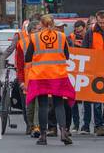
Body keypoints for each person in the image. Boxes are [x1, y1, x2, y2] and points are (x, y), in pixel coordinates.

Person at [23, 14, 75, 145]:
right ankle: (63, 132)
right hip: (58, 75)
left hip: (40, 75)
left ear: (41, 24)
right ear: (52, 23)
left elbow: (28, 57)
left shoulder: (34, 37)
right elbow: (67, 56)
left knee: (43, 105)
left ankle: (43, 136)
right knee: (59, 104)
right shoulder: (62, 36)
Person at [79, 10, 104, 136]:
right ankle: (99, 126)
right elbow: (84, 50)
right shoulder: (90, 32)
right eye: (100, 22)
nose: (102, 25)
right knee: (97, 100)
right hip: (96, 69)